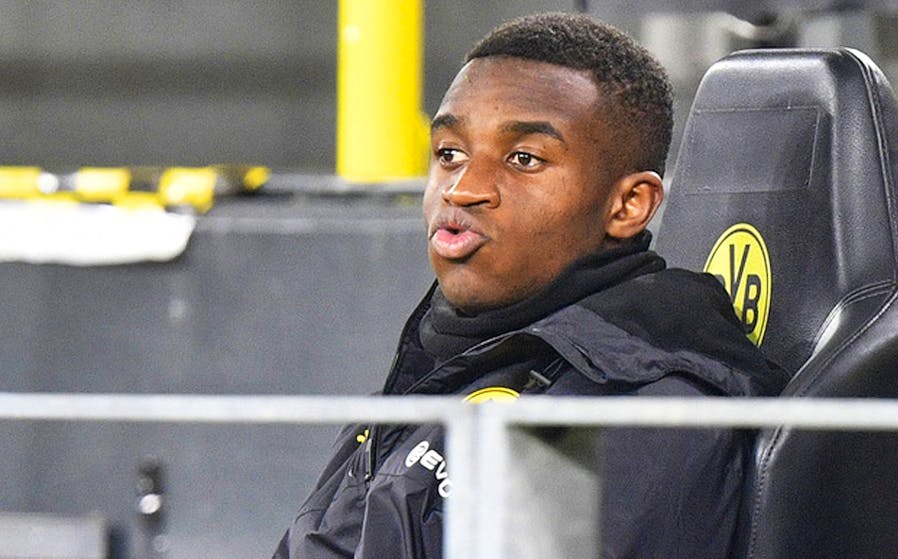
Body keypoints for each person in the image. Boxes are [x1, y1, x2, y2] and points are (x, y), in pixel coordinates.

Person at [274, 12, 787, 559]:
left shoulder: (612, 410)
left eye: (524, 159)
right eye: (449, 153)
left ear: (628, 205)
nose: (463, 188)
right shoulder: (472, 352)